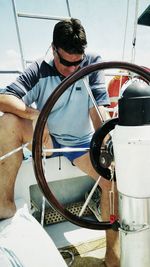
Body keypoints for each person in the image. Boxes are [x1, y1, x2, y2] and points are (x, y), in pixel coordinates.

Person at [0, 18, 119, 266]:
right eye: (65, 62)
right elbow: (4, 97)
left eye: (77, 63)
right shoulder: (39, 69)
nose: (72, 70)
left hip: (80, 143)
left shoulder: (92, 63)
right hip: (46, 139)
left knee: (111, 181)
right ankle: (4, 207)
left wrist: (107, 147)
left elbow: (98, 111)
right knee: (9, 121)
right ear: (53, 49)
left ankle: (112, 256)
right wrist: (35, 116)